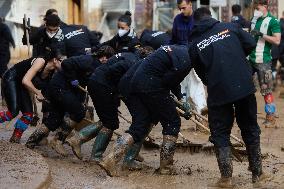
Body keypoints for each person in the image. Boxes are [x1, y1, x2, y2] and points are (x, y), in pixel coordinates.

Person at [189, 7, 270, 188]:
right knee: (250, 127)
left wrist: (214, 78)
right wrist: (236, 59)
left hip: (218, 91)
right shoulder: (230, 27)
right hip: (244, 85)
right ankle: (258, 174)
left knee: (219, 131)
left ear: (196, 23)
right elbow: (250, 43)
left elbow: (201, 73)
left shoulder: (194, 43)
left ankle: (226, 179)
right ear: (211, 16)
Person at [99, 44, 192, 176]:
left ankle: (111, 159)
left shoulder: (172, 52)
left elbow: (172, 80)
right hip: (146, 85)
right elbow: (167, 82)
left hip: (134, 85)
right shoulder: (186, 59)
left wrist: (180, 98)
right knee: (172, 122)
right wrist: (175, 102)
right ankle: (166, 168)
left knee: (140, 125)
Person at [66, 46, 153, 170]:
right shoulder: (132, 62)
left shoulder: (128, 55)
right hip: (102, 86)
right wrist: (118, 88)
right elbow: (113, 70)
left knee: (107, 120)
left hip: (98, 83)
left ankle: (80, 140)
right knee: (111, 123)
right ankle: (89, 150)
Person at [26, 46, 115, 156]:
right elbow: (66, 63)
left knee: (55, 118)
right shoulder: (88, 60)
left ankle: (30, 143)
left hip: (66, 89)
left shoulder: (98, 66)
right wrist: (72, 78)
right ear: (104, 58)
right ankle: (57, 140)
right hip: (59, 87)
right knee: (79, 112)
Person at [0, 47, 63, 143]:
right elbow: (26, 80)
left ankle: (15, 138)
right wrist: (37, 92)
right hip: (11, 79)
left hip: (22, 85)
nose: (65, 64)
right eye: (62, 61)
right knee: (13, 112)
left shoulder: (53, 72)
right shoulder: (40, 61)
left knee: (28, 114)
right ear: (55, 60)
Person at [249, 0, 281, 128]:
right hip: (250, 59)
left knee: (266, 88)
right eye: (255, 8)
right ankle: (245, 114)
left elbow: (277, 40)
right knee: (243, 85)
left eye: (258, 8)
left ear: (265, 6)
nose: (256, 10)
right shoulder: (254, 19)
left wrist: (262, 34)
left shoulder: (273, 21)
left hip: (264, 60)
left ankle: (270, 117)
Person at [0, 17, 15, 105]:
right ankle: (4, 99)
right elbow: (9, 36)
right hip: (3, 55)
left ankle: (4, 99)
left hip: (3, 55)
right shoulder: (4, 26)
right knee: (4, 77)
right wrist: (13, 43)